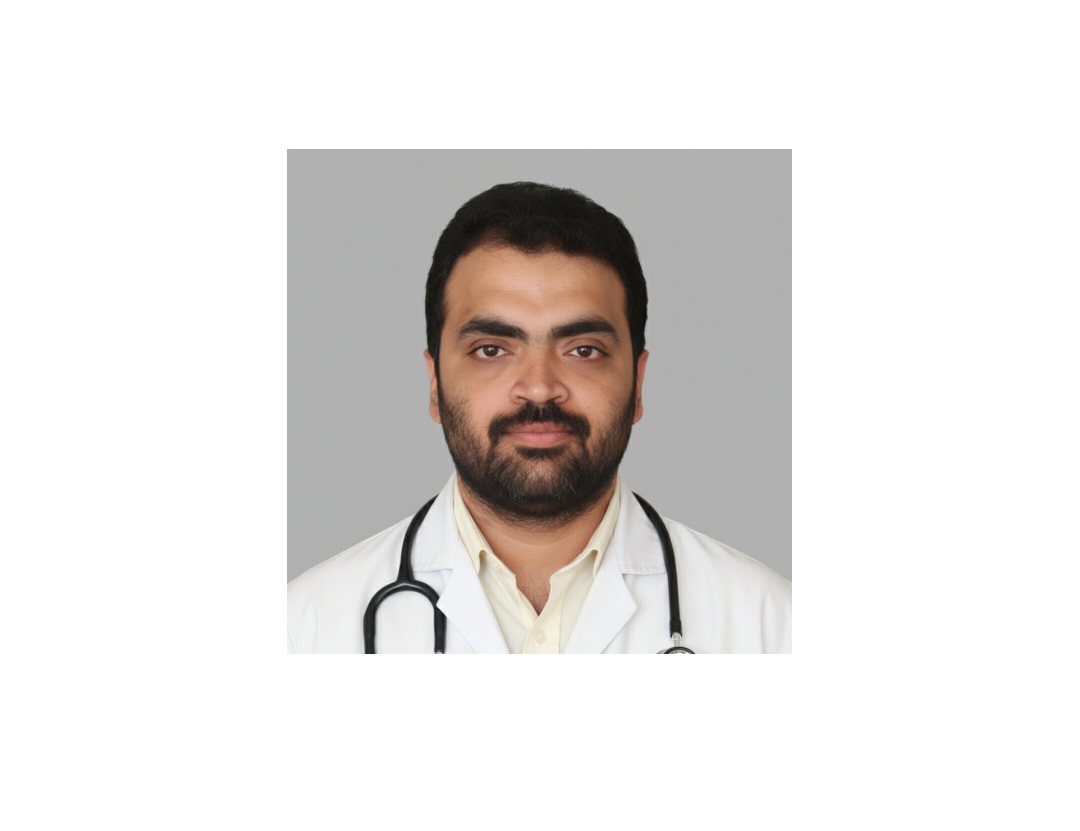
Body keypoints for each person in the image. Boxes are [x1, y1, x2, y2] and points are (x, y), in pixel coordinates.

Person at [287, 181, 791, 655]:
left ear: (638, 383)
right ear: (435, 382)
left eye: (583, 350)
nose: (539, 387)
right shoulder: (308, 625)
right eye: (491, 349)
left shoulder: (770, 623)